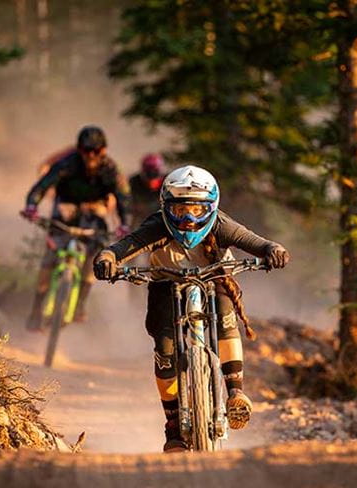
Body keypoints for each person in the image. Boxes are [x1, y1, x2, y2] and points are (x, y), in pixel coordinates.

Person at [93, 165, 289, 452]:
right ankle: (173, 426)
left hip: (216, 276)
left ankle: (235, 393)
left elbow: (255, 242)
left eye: (197, 210)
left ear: (212, 207)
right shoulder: (157, 225)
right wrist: (107, 258)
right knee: (165, 348)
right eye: (181, 209)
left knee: (226, 320)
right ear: (165, 207)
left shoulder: (222, 225)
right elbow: (125, 246)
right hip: (165, 284)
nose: (188, 218)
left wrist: (274, 250)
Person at [22, 126, 131, 329]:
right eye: (86, 150)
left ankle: (80, 304)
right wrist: (31, 206)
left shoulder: (111, 170)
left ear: (104, 150)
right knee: (49, 259)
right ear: (79, 149)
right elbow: (42, 186)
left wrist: (124, 223)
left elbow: (123, 199)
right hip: (66, 206)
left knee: (96, 254)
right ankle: (36, 310)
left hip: (95, 207)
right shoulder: (66, 163)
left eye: (96, 151)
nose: (91, 155)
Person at [129, 153, 167, 227]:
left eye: (155, 178)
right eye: (148, 178)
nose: (152, 183)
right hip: (141, 220)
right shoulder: (135, 182)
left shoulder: (169, 184)